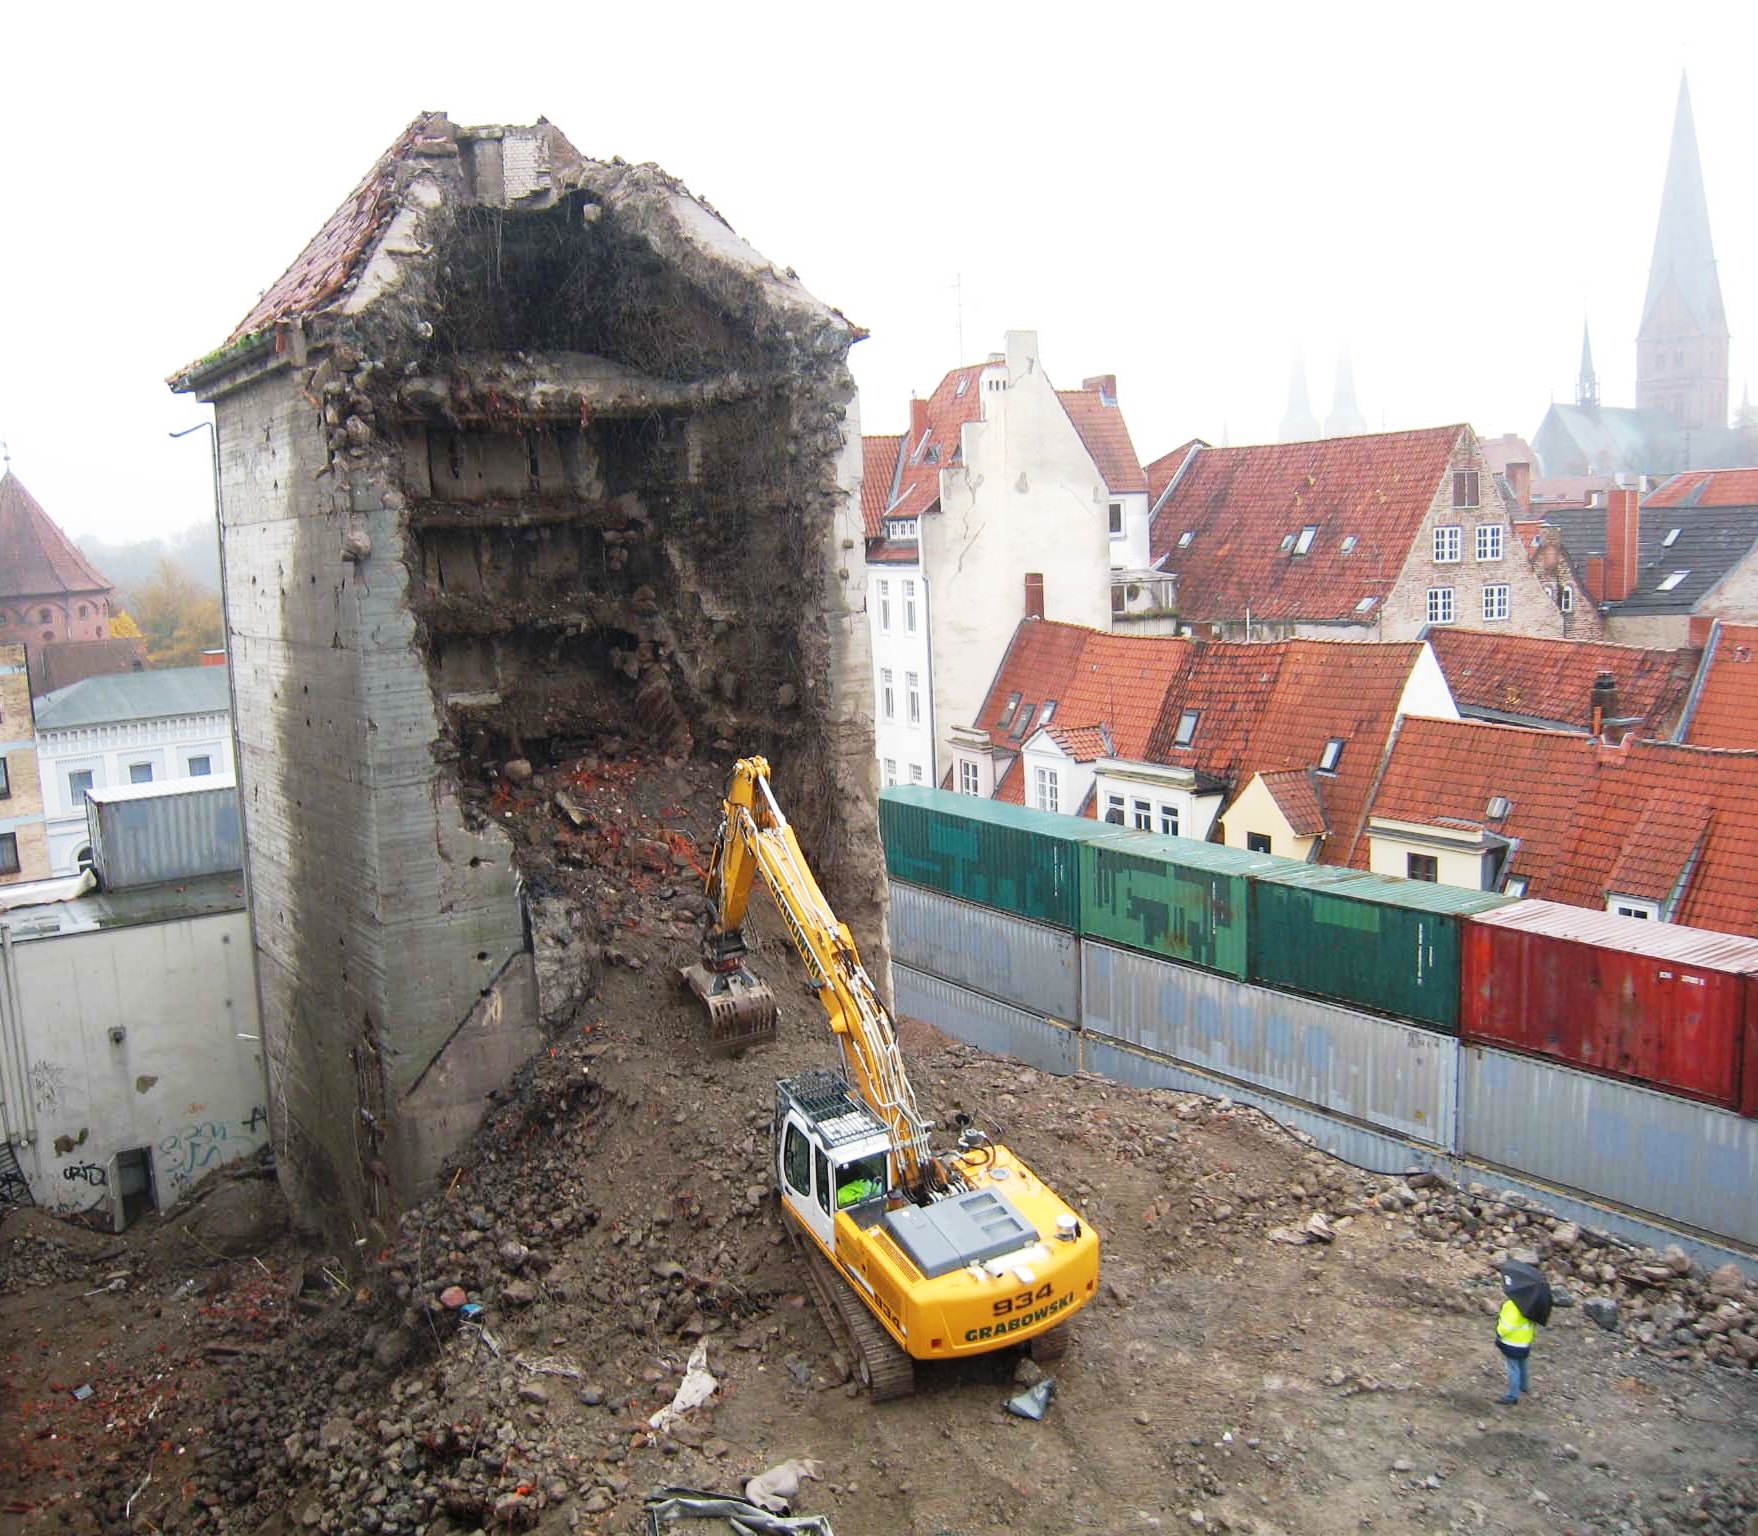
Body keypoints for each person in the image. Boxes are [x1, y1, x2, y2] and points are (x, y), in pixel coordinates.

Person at [1495, 1275, 1539, 1404]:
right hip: (1525, 1341)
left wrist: (1499, 1333)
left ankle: (1512, 1396)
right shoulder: (1532, 1305)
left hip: (1511, 1342)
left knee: (1513, 1368)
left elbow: (1507, 1325)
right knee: (1522, 1364)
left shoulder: (1511, 1306)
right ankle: (1524, 1386)